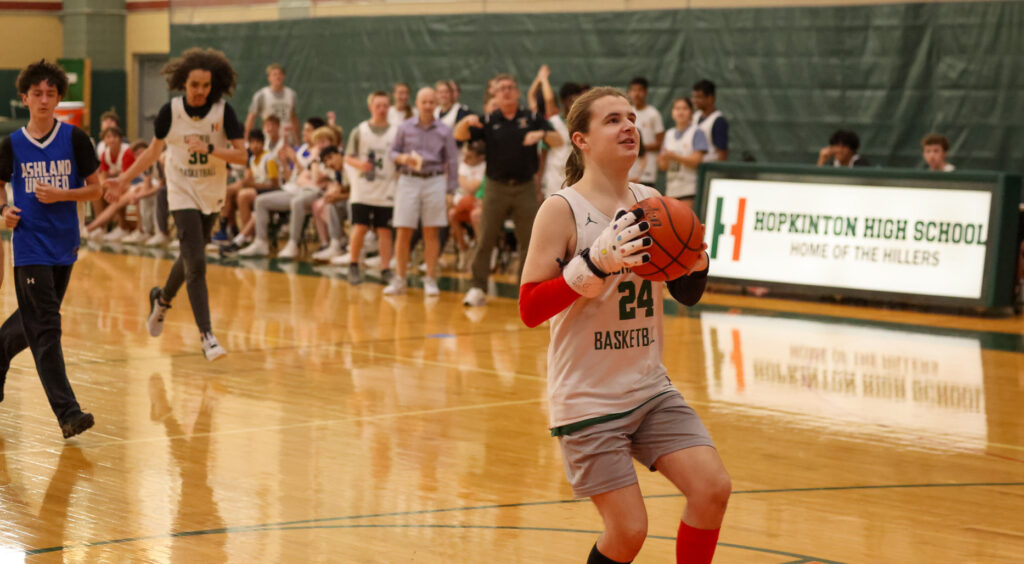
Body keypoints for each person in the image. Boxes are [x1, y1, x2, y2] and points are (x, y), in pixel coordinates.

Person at [517, 86, 730, 564]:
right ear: (581, 139)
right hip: (588, 400)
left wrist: (695, 264)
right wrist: (591, 265)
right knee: (629, 530)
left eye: (631, 117)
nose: (628, 125)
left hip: (649, 389)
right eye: (612, 119)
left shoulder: (653, 201)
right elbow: (530, 309)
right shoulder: (561, 209)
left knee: (712, 488)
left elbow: (686, 294)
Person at [106, 47, 247, 361]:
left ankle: (162, 298)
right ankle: (207, 336)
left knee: (190, 256)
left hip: (211, 192)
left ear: (214, 86)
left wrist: (210, 147)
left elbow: (242, 156)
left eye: (206, 86)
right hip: (181, 190)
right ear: (184, 83)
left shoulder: (224, 112)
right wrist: (123, 179)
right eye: (194, 85)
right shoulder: (171, 112)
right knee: (197, 263)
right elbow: (152, 153)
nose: (200, 91)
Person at [0, 59, 103, 438]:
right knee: (46, 328)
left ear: (59, 98)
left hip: (64, 245)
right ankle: (68, 413)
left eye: (51, 93)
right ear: (24, 98)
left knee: (34, 322)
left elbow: (97, 189)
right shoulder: (10, 144)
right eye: (37, 93)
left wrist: (63, 194)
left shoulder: (75, 139)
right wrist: (4, 210)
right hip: (29, 246)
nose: (44, 99)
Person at [454, 73, 563, 307]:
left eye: (510, 87)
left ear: (517, 92)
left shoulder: (531, 117)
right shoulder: (488, 119)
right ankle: (477, 288)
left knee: (532, 240)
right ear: (495, 94)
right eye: (501, 88)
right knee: (485, 237)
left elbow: (559, 140)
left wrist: (542, 134)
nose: (506, 91)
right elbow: (459, 135)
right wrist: (464, 123)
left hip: (525, 187)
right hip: (495, 187)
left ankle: (526, 290)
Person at [384, 86, 458, 298]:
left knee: (431, 231)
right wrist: (402, 158)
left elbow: (452, 161)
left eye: (431, 102)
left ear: (436, 105)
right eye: (423, 102)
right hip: (408, 180)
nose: (427, 106)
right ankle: (399, 279)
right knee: (403, 230)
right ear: (416, 104)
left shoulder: (444, 130)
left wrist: (451, 190)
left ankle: (430, 279)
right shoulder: (404, 127)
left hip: (434, 180)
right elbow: (392, 152)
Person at [341, 90, 397, 284]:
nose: (382, 109)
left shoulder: (396, 132)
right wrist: (360, 165)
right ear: (371, 107)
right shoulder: (360, 130)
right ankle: (353, 265)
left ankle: (385, 269)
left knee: (384, 230)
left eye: (385, 105)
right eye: (378, 105)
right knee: (360, 226)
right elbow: (347, 157)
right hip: (363, 187)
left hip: (386, 188)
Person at [658, 98, 709, 206]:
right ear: (672, 112)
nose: (680, 112)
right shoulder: (669, 134)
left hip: (690, 190)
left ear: (691, 112)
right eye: (677, 108)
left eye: (684, 108)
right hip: (671, 190)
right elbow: (662, 166)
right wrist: (665, 159)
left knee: (686, 222)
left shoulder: (697, 132)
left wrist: (675, 157)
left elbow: (696, 161)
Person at [542, 82, 587, 198]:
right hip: (555, 178)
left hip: (578, 177)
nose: (573, 104)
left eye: (577, 100)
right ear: (563, 101)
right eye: (570, 101)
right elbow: (543, 154)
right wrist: (538, 184)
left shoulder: (584, 124)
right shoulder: (553, 122)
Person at [244, 63, 300, 146]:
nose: (277, 77)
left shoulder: (291, 94)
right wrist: (246, 139)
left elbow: (294, 118)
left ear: (284, 77)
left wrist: (297, 141)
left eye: (280, 74)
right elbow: (251, 117)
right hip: (269, 138)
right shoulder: (261, 95)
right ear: (269, 78)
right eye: (274, 74)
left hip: (287, 139)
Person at [627, 77, 664, 188]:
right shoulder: (627, 112)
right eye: (633, 90)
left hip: (648, 169)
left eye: (640, 90)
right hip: (630, 169)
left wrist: (639, 147)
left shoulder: (653, 114)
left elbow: (660, 143)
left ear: (646, 92)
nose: (636, 94)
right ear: (629, 92)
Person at [691, 79, 729, 163]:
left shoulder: (719, 121)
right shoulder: (694, 116)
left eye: (699, 97)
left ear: (710, 98)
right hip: (694, 169)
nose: (695, 101)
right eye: (694, 97)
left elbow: (722, 156)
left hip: (710, 171)